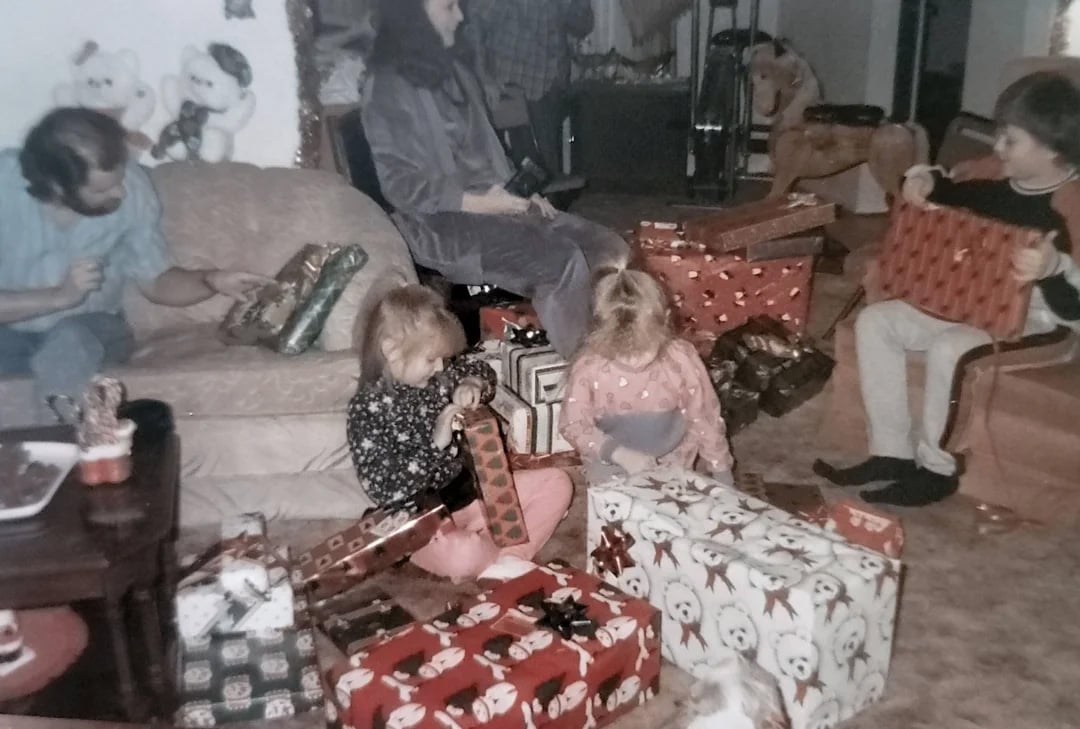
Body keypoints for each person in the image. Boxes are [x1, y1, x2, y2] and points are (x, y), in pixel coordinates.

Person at [814, 71, 1080, 506]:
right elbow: (949, 186)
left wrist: (1053, 269)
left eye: (1011, 140)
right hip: (973, 304)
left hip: (1040, 320)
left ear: (1052, 148)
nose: (998, 147)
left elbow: (1073, 310)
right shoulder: (997, 179)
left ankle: (937, 469)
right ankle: (891, 453)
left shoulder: (1072, 205)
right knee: (877, 321)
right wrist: (922, 181)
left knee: (951, 347)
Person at [362, 0, 628, 358]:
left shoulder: (453, 70)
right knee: (562, 261)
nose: (460, 17)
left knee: (609, 249)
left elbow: (487, 154)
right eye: (449, 7)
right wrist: (482, 203)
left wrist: (522, 191)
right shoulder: (387, 87)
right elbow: (400, 186)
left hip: (495, 204)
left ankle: (613, 347)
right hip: (442, 225)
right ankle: (587, 372)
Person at [0, 107, 267, 422]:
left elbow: (157, 282)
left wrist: (211, 280)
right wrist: (59, 296)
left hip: (94, 330)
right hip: (10, 331)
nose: (120, 192)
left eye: (119, 177)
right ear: (56, 186)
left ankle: (60, 444)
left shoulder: (134, 189)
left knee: (68, 342)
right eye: (102, 189)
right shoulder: (5, 185)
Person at [345, 284, 573, 582]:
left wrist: (472, 384)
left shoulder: (440, 377)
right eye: (431, 359)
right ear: (391, 350)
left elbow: (479, 369)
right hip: (421, 519)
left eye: (443, 358)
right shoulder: (366, 409)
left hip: (474, 497)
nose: (440, 366)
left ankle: (508, 557)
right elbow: (385, 489)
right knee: (462, 558)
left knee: (559, 483)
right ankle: (490, 549)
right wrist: (435, 444)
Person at [559, 267, 734, 485]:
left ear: (666, 323)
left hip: (673, 459)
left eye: (643, 348)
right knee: (613, 502)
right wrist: (618, 454)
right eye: (622, 351)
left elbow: (705, 415)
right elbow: (573, 424)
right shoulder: (590, 368)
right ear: (596, 335)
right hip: (611, 461)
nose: (634, 361)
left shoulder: (680, 359)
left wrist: (721, 470)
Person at [467, 0, 594, 177]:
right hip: (514, 84)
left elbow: (583, 26)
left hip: (553, 83)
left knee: (550, 167)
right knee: (522, 171)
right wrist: (484, 77)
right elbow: (475, 21)